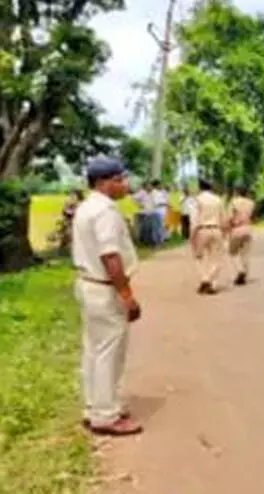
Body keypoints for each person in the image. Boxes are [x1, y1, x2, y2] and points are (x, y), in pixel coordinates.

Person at [72, 156, 143, 436]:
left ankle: (95, 406)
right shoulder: (105, 212)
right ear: (103, 183)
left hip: (88, 283)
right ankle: (106, 415)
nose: (124, 185)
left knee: (94, 349)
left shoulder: (86, 207)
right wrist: (127, 295)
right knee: (109, 353)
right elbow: (110, 257)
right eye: (119, 179)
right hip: (104, 287)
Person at [192, 178, 226, 295]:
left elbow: (194, 219)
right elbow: (223, 219)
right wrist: (224, 234)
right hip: (216, 229)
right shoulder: (218, 199)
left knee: (198, 257)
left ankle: (205, 279)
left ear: (200, 187)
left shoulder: (198, 200)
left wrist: (192, 235)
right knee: (216, 258)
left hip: (202, 230)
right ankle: (213, 284)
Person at [227, 186, 256, 285]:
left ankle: (240, 271)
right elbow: (253, 217)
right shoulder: (251, 203)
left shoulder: (234, 202)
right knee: (245, 254)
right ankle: (245, 275)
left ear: (237, 192)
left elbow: (230, 217)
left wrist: (228, 227)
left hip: (237, 228)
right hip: (248, 228)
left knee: (232, 252)